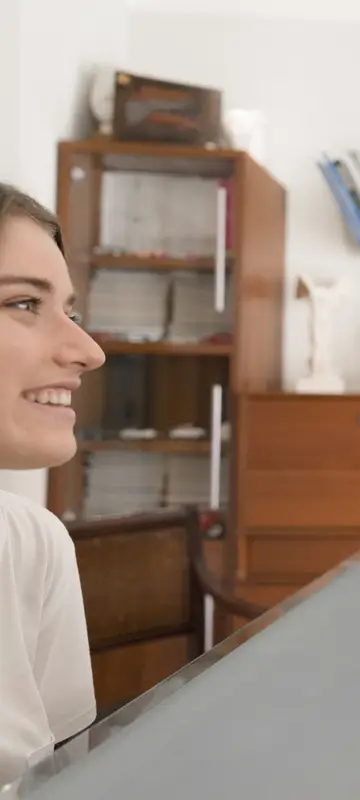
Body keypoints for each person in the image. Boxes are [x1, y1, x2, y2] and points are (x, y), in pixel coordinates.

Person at [0, 183, 105, 784]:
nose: (88, 350)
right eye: (22, 303)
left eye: (71, 313)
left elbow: (69, 777)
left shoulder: (35, 545)